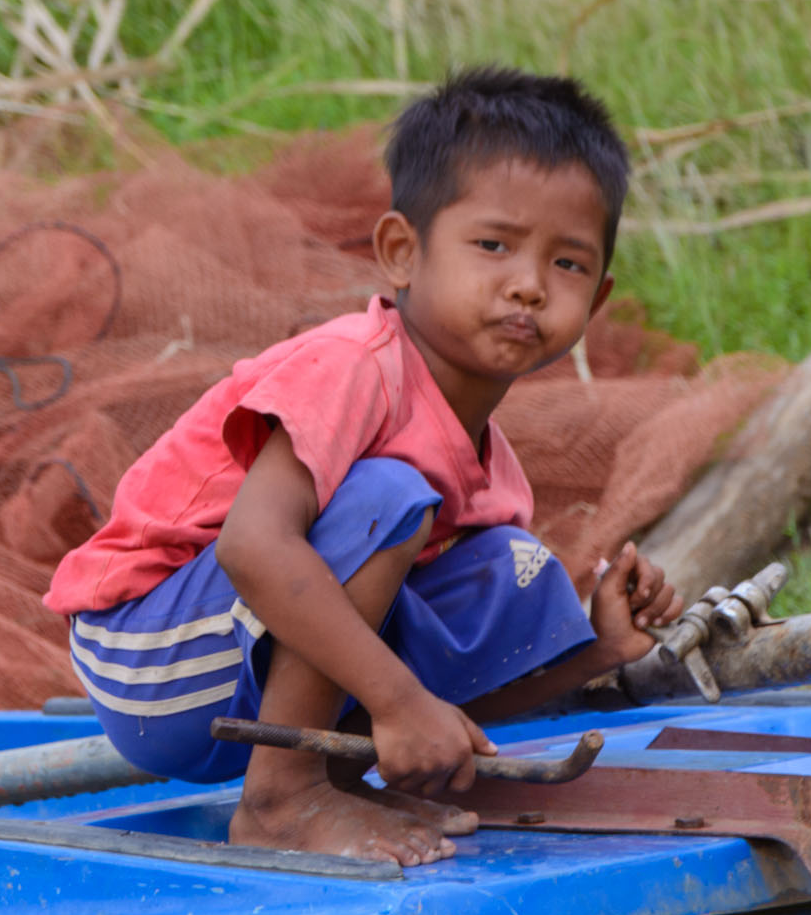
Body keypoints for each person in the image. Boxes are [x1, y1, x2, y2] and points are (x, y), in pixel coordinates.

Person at [43, 67, 684, 865]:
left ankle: (330, 775)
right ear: (401, 252)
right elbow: (252, 546)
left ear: (597, 298)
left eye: (568, 265)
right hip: (150, 652)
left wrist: (596, 649)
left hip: (248, 675)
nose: (527, 285)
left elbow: (463, 684)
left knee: (515, 571)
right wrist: (396, 697)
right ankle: (281, 799)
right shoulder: (352, 366)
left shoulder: (495, 472)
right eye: (494, 245)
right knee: (388, 496)